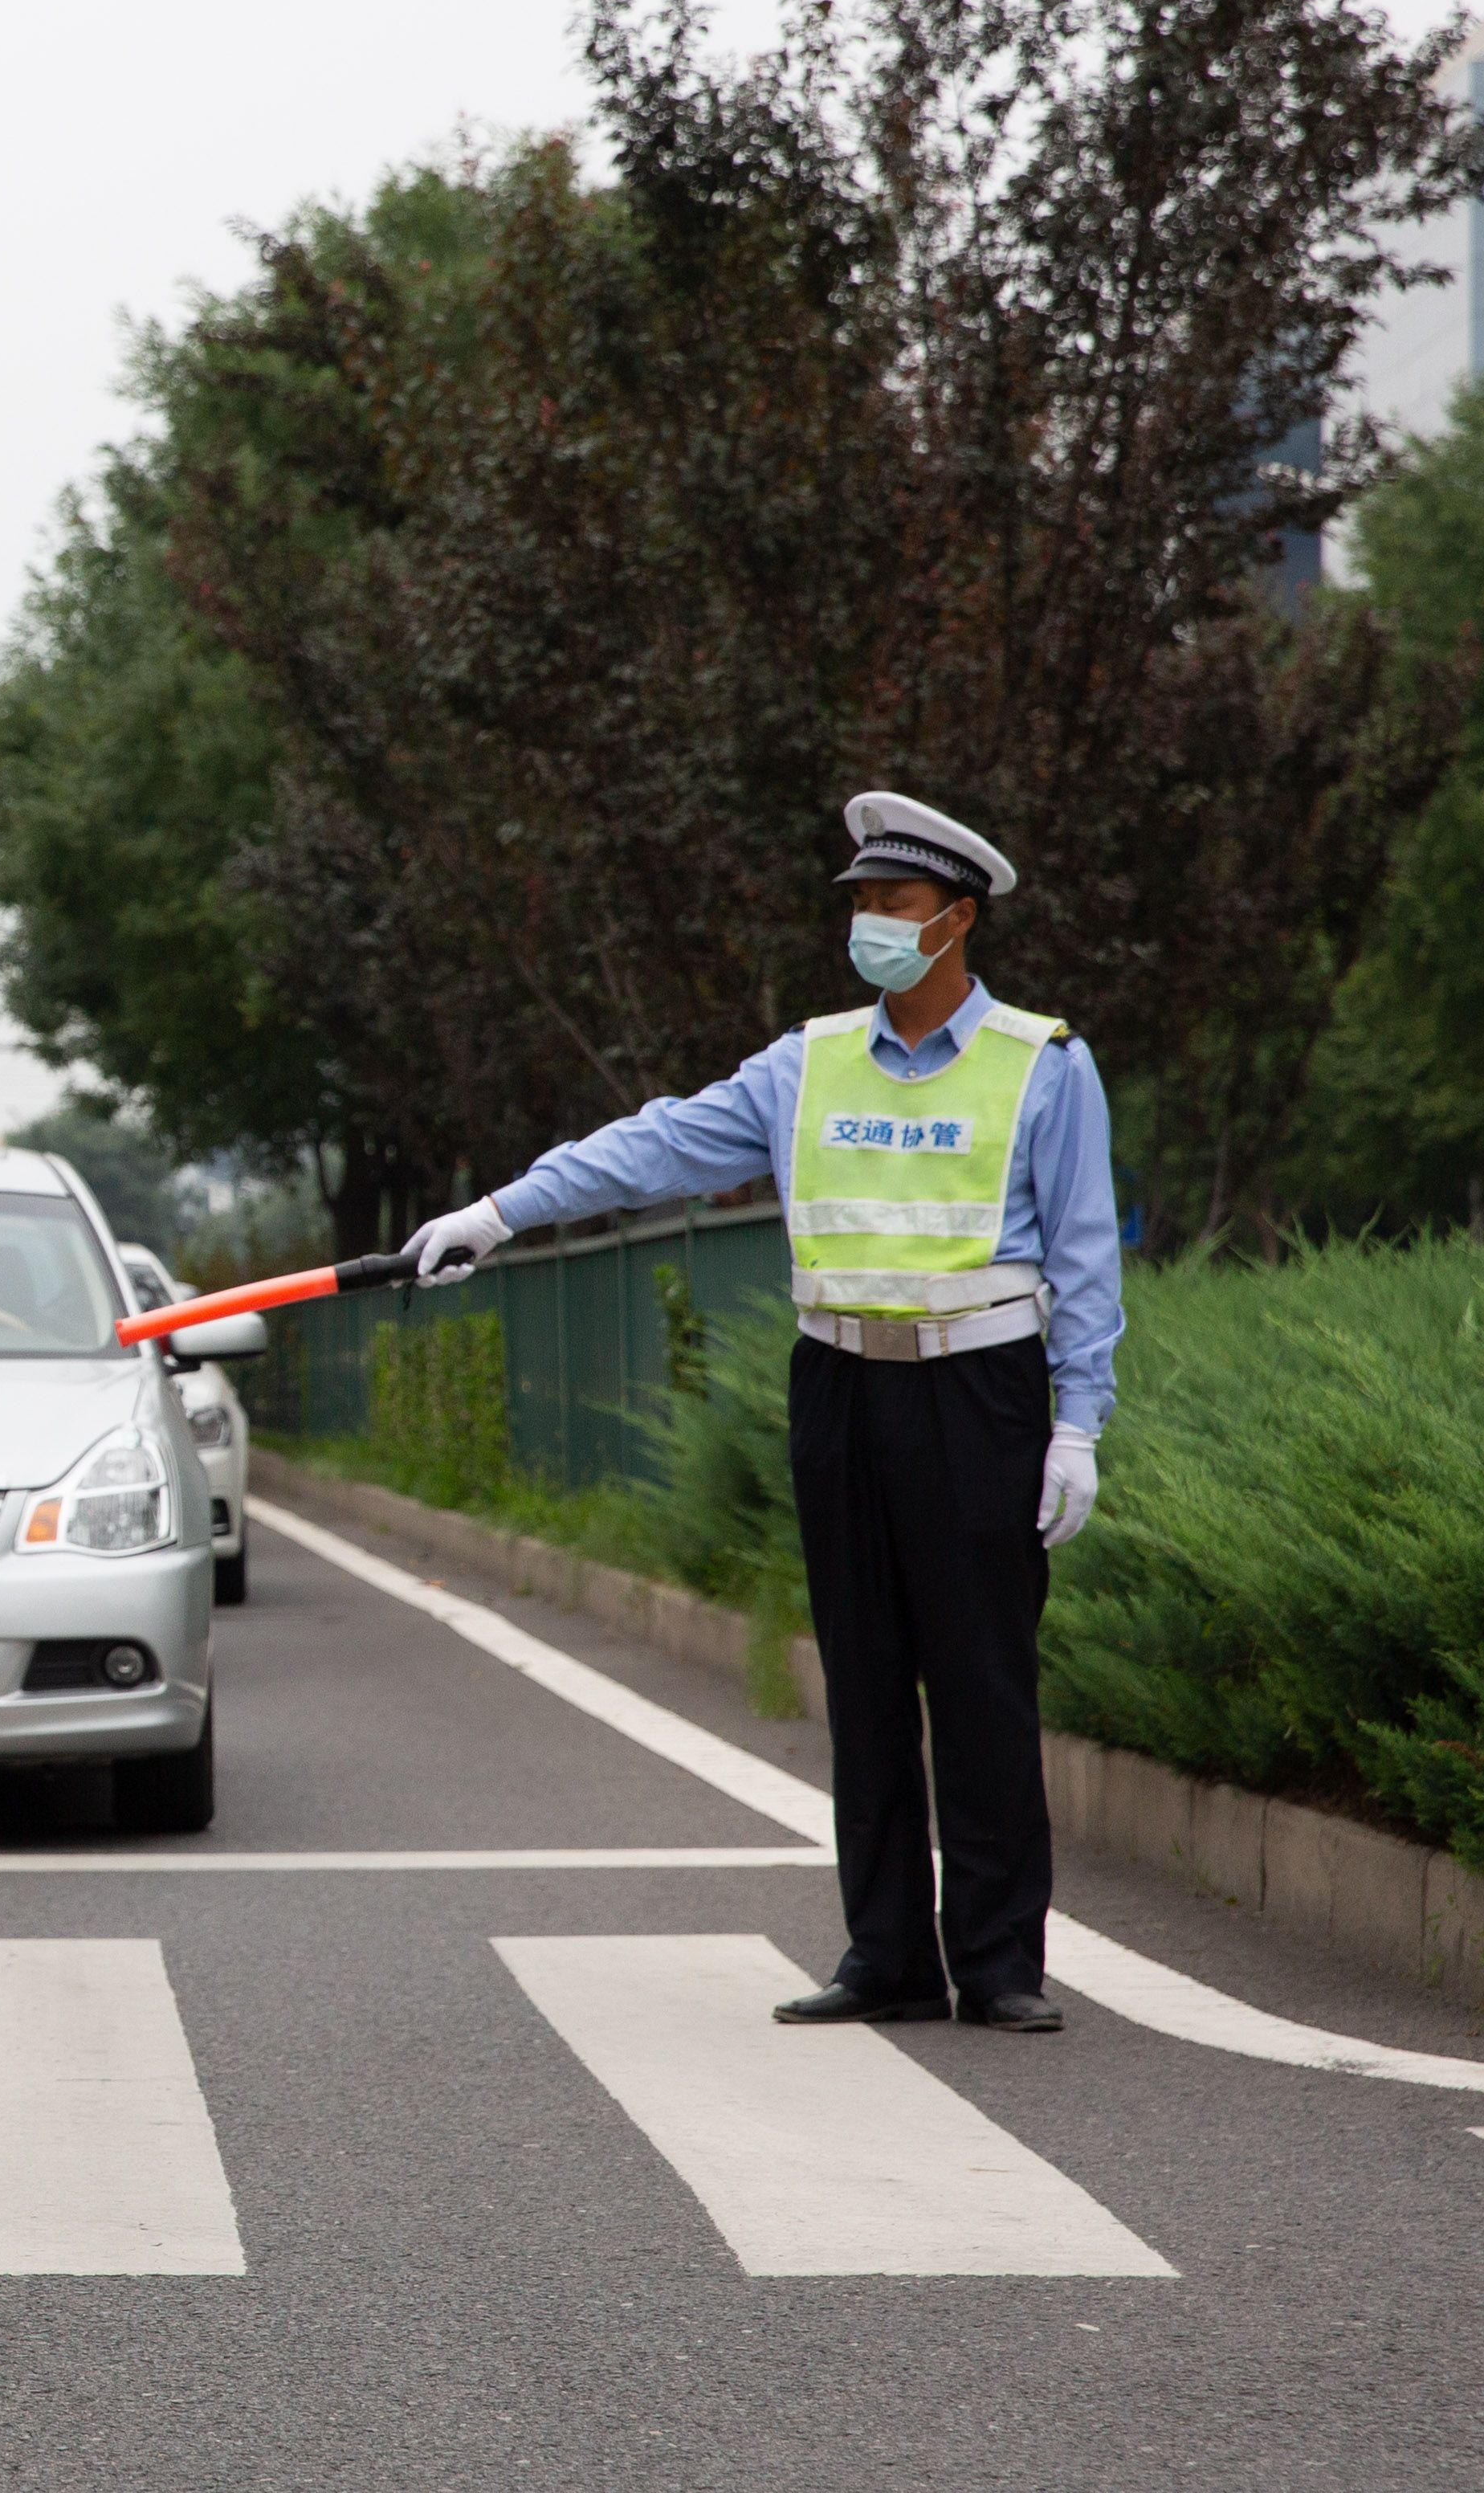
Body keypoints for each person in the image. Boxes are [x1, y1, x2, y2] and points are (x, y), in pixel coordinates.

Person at [404, 793, 1119, 2034]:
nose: (867, 927)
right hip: (838, 1388)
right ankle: (885, 1955)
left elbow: (1087, 1259)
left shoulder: (1042, 1065)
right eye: (857, 906)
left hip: (977, 1391)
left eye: (890, 907)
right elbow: (659, 1146)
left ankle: (999, 1962)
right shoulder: (805, 1063)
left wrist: (1076, 1424)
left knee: (982, 1682)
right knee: (862, 1673)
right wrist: (502, 1212)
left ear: (954, 920)